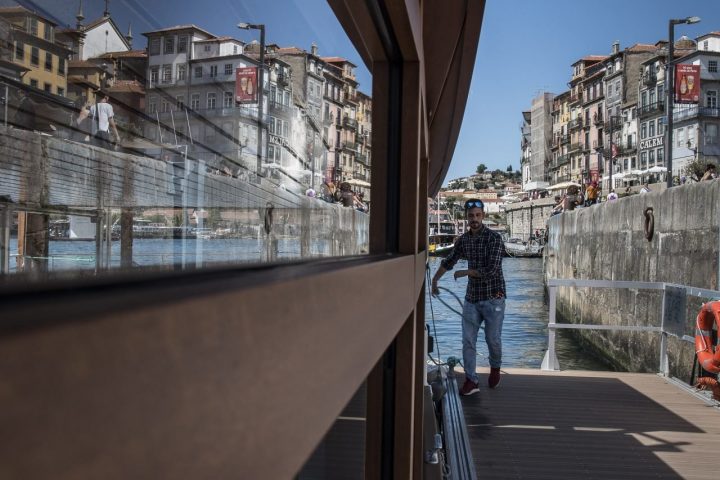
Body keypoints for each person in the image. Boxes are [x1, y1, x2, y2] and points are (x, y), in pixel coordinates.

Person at [431, 198, 506, 395]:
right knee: (468, 341)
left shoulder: (494, 239)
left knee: (493, 340)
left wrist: (467, 272)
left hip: (494, 297)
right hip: (472, 298)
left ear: (484, 216)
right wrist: (435, 280)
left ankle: (495, 368)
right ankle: (471, 380)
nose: (474, 219)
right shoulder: (463, 240)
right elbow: (449, 260)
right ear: (466, 218)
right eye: (471, 216)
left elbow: (492, 270)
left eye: (478, 215)